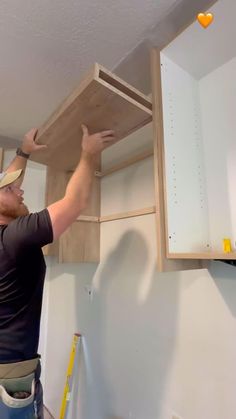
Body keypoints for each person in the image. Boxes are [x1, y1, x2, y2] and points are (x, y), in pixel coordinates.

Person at [0, 125, 116, 418]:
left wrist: (24, 152)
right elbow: (74, 203)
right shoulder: (15, 237)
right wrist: (88, 155)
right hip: (10, 376)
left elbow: (5, 185)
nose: (20, 189)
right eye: (13, 190)